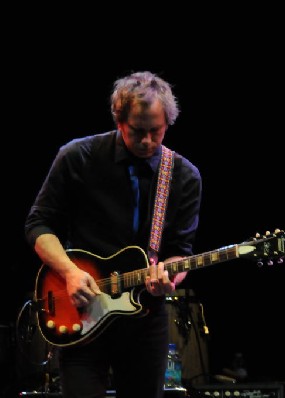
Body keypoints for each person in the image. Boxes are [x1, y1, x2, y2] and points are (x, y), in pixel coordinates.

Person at [24, 71, 202, 398]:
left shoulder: (184, 176)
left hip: (144, 319)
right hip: (82, 311)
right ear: (119, 120)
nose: (148, 141)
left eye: (156, 132)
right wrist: (70, 272)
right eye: (137, 131)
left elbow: (180, 250)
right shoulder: (78, 157)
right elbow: (38, 224)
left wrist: (170, 278)